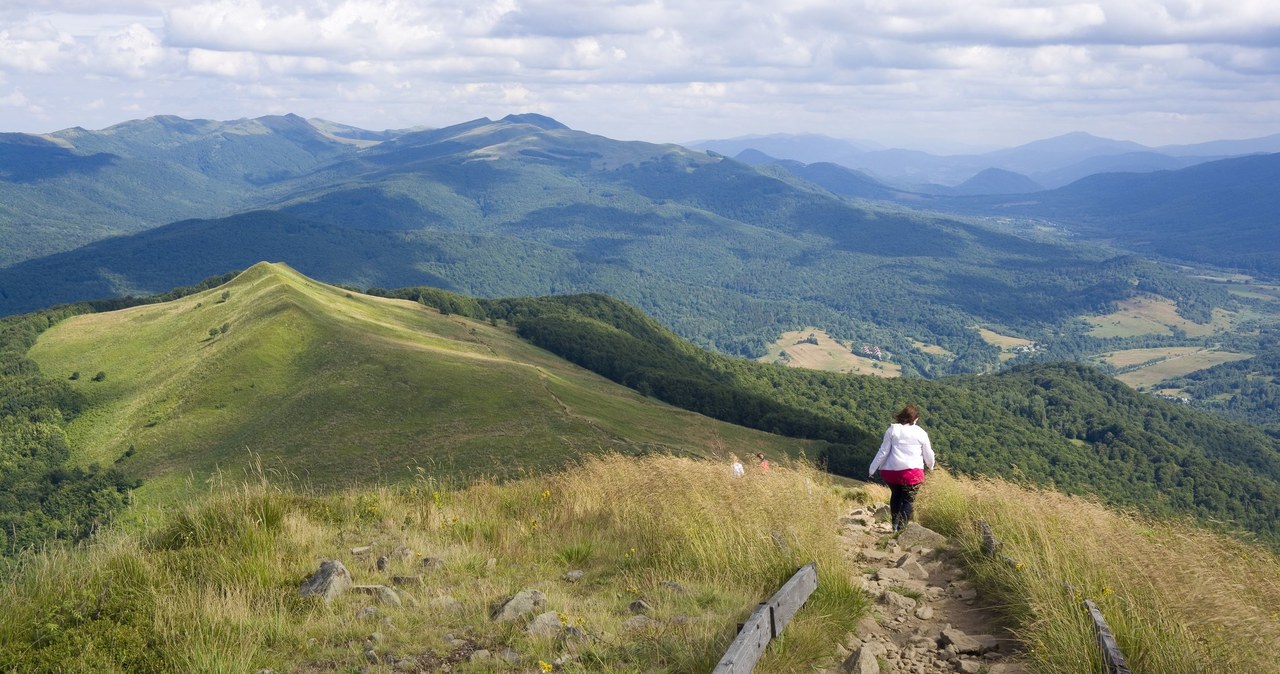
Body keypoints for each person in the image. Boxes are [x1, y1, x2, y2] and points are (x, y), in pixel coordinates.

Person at [868, 404, 935, 532]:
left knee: (896, 495)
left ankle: (894, 524)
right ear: (916, 419)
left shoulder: (892, 430)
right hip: (913, 474)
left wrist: (872, 468)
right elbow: (928, 453)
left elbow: (883, 451)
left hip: (892, 473)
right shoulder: (921, 433)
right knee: (908, 501)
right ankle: (901, 529)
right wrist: (930, 466)